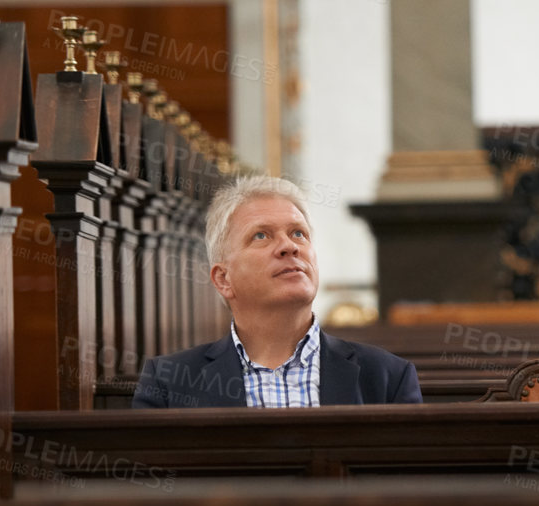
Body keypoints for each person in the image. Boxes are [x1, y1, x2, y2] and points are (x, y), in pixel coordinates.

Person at [132, 175, 421, 408]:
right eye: (261, 235)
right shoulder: (169, 386)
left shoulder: (387, 378)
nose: (289, 246)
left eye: (298, 233)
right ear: (223, 279)